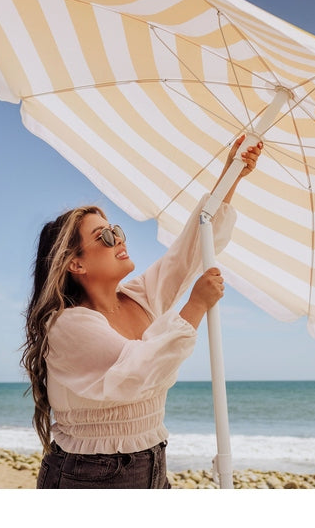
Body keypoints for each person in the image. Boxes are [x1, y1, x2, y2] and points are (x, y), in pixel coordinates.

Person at [23, 135, 263, 489]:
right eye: (104, 237)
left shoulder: (138, 296)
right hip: (90, 477)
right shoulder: (68, 325)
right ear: (76, 264)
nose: (119, 239)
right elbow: (140, 370)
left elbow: (189, 251)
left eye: (116, 231)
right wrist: (195, 305)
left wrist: (231, 174)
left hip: (151, 463)